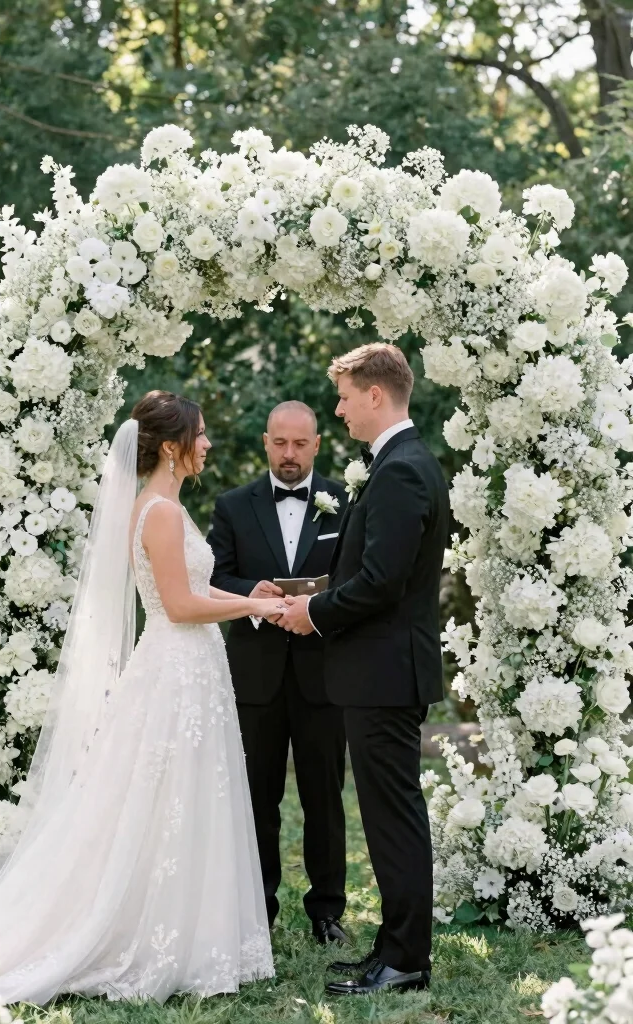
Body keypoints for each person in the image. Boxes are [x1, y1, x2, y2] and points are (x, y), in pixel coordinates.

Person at [0, 391, 281, 1004]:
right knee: (165, 797)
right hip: (176, 668)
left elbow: (189, 590)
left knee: (175, 798)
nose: (207, 445)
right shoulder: (162, 512)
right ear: (172, 447)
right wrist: (252, 606)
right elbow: (177, 606)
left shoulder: (161, 504)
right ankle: (147, 935)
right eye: (200, 435)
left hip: (188, 665)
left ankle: (182, 928)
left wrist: (249, 593)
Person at [278, 344, 449, 997]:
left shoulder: (402, 471)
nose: (339, 409)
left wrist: (313, 613)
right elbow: (375, 574)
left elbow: (381, 583)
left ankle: (405, 960)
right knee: (386, 815)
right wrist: (314, 596)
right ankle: (394, 947)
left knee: (393, 816)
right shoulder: (398, 465)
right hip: (378, 671)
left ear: (376, 395)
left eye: (346, 396)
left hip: (383, 674)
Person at [207, 401, 349, 944]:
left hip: (323, 672)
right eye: (280, 444)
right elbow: (213, 573)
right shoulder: (232, 506)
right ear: (266, 442)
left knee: (325, 799)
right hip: (256, 675)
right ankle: (256, 908)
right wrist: (250, 591)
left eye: (300, 444)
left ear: (316, 445)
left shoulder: (346, 502)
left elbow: (359, 573)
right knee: (257, 798)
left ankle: (327, 911)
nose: (289, 455)